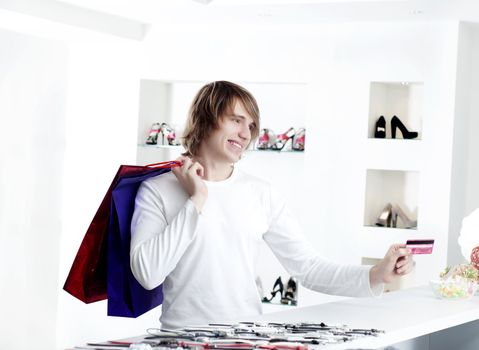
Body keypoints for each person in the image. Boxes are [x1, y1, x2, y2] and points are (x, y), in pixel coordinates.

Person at [130, 81, 414, 329]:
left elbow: (308, 268)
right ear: (205, 118)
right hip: (180, 341)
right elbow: (148, 274)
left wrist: (376, 275)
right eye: (236, 120)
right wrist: (197, 200)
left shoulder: (260, 193)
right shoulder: (158, 189)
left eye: (251, 125)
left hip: (244, 339)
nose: (246, 133)